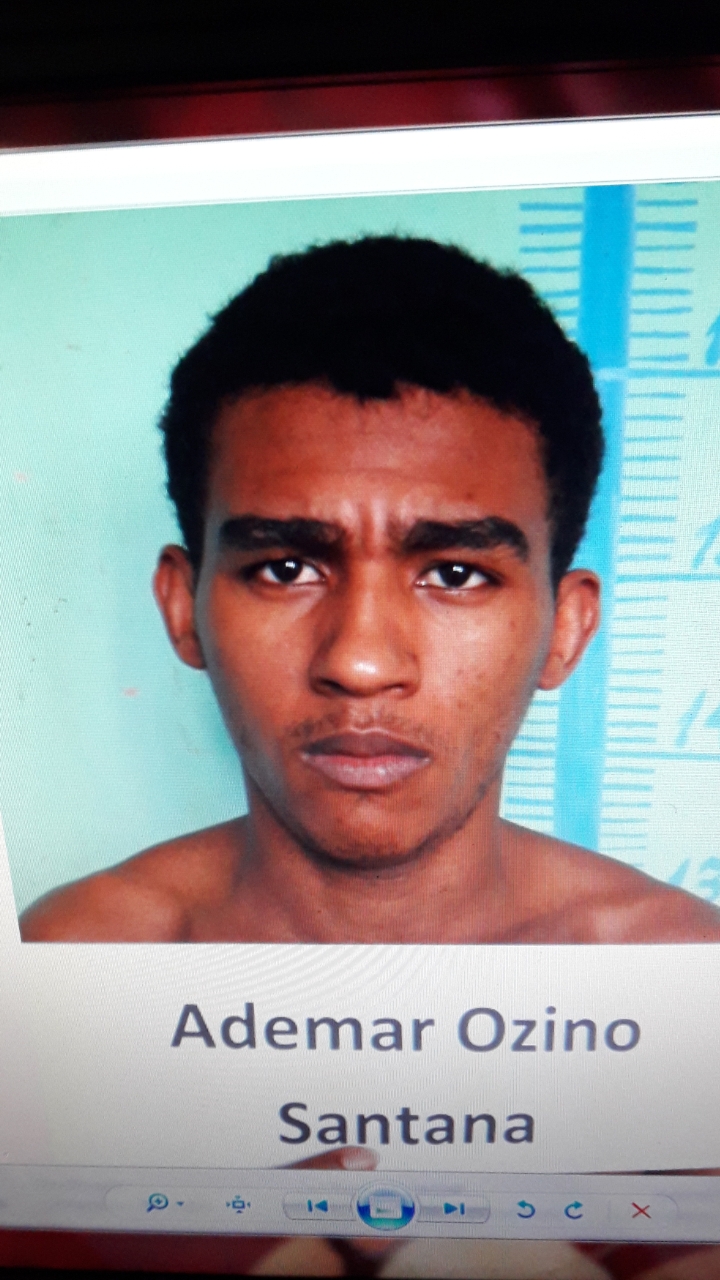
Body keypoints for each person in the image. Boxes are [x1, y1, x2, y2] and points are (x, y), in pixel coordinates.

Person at [20, 236, 720, 944]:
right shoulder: (70, 958)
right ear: (183, 608)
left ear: (566, 628)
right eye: (285, 569)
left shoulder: (683, 973)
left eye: (454, 574)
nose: (360, 664)